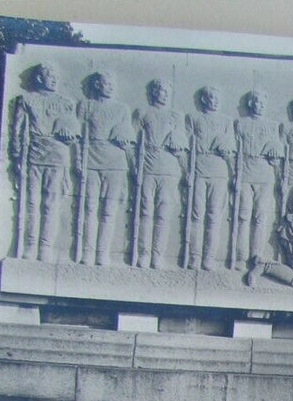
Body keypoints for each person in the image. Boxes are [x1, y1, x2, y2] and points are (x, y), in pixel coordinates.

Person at [11, 62, 79, 262]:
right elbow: (17, 130)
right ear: (40, 78)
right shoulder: (27, 99)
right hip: (33, 155)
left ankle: (45, 246)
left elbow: (73, 133)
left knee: (51, 204)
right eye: (51, 77)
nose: (55, 80)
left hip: (57, 156)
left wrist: (69, 135)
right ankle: (30, 244)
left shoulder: (66, 103)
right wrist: (16, 156)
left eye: (57, 77)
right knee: (32, 203)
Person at [75, 71, 133, 266]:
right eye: (105, 83)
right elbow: (78, 136)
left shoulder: (122, 109)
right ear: (97, 85)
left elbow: (128, 139)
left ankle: (102, 253)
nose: (110, 86)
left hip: (115, 161)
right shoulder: (85, 105)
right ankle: (88, 252)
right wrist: (78, 160)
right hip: (91, 158)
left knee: (108, 210)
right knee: (90, 208)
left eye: (112, 83)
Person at [132, 79, 188, 270]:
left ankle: (157, 255)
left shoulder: (176, 115)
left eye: (167, 91)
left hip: (169, 168)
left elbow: (182, 146)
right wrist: (135, 169)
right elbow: (133, 142)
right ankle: (143, 253)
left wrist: (185, 169)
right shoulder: (143, 113)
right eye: (161, 91)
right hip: (148, 166)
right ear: (154, 92)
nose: (164, 94)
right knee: (146, 212)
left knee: (163, 214)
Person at [185, 86, 236, 270]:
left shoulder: (226, 121)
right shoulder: (193, 118)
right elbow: (187, 146)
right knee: (196, 215)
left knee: (214, 216)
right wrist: (188, 171)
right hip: (199, 167)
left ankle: (209, 258)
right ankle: (194, 256)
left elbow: (231, 149)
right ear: (204, 100)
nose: (214, 101)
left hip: (219, 170)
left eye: (217, 98)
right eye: (210, 98)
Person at [233, 90, 282, 270]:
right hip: (246, 173)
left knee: (261, 217)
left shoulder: (272, 126)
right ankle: (240, 257)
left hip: (265, 175)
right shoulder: (241, 124)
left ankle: (256, 256)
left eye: (263, 103)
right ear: (251, 104)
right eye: (257, 102)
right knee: (243, 216)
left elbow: (277, 153)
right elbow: (235, 152)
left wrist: (274, 157)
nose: (260, 106)